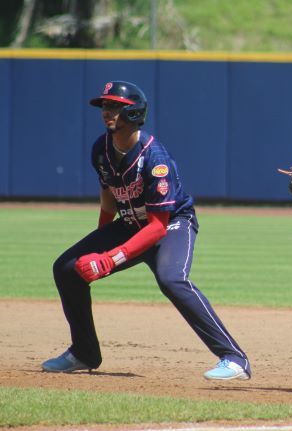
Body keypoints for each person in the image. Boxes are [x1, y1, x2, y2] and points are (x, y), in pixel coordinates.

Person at [42, 80, 251, 381]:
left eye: (115, 106)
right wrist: (100, 246)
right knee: (65, 268)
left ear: (134, 112)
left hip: (171, 224)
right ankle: (83, 352)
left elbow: (157, 227)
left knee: (171, 279)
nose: (107, 111)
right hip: (131, 223)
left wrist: (110, 258)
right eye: (105, 105)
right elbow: (109, 200)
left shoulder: (155, 160)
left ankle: (234, 359)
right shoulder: (100, 149)